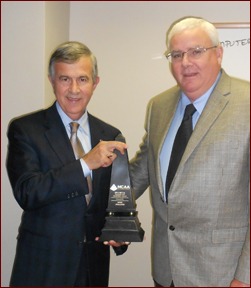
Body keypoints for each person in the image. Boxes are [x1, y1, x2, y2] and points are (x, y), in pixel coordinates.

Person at [129, 17, 250, 287]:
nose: (185, 62)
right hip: (166, 268)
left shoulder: (247, 104)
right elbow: (141, 170)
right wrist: (103, 201)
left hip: (222, 273)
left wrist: (246, 275)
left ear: (218, 54)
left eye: (196, 51)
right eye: (176, 54)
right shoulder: (158, 106)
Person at [6, 41, 129, 287]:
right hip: (42, 267)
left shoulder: (111, 134)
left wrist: (121, 233)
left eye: (82, 79)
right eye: (64, 79)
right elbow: (27, 192)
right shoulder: (25, 130)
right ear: (52, 81)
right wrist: (85, 163)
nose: (74, 89)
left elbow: (113, 200)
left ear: (95, 83)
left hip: (93, 269)